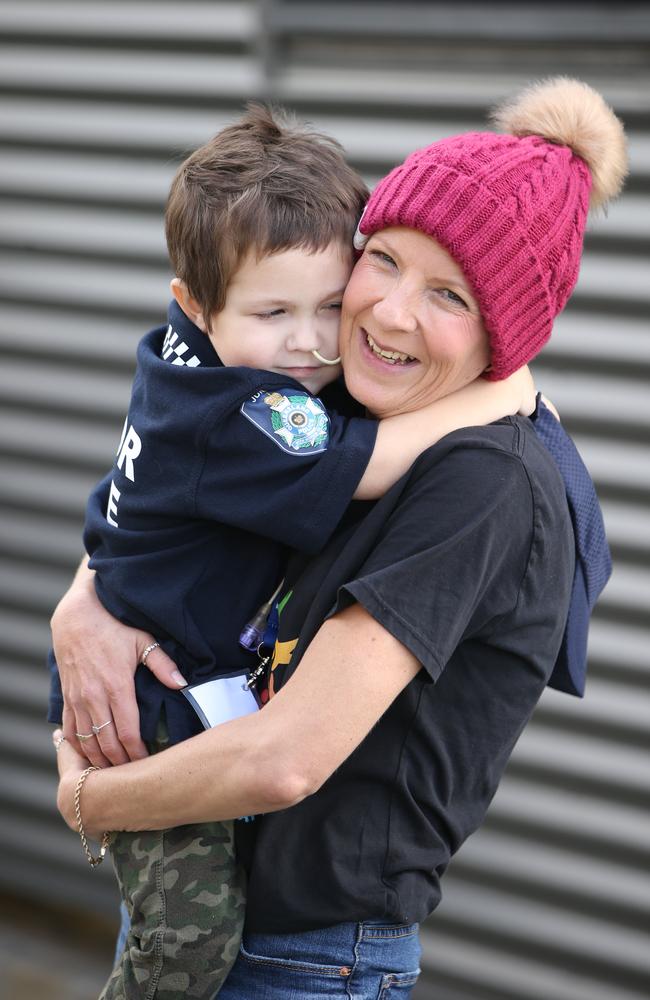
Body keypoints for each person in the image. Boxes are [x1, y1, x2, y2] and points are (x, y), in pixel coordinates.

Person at [53, 77, 624, 999]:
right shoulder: (347, 392)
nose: (391, 313)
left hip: (307, 954)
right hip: (204, 882)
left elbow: (287, 758)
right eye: (386, 259)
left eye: (451, 295)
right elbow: (173, 486)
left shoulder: (485, 483)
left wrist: (83, 794)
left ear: (506, 336)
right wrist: (83, 605)